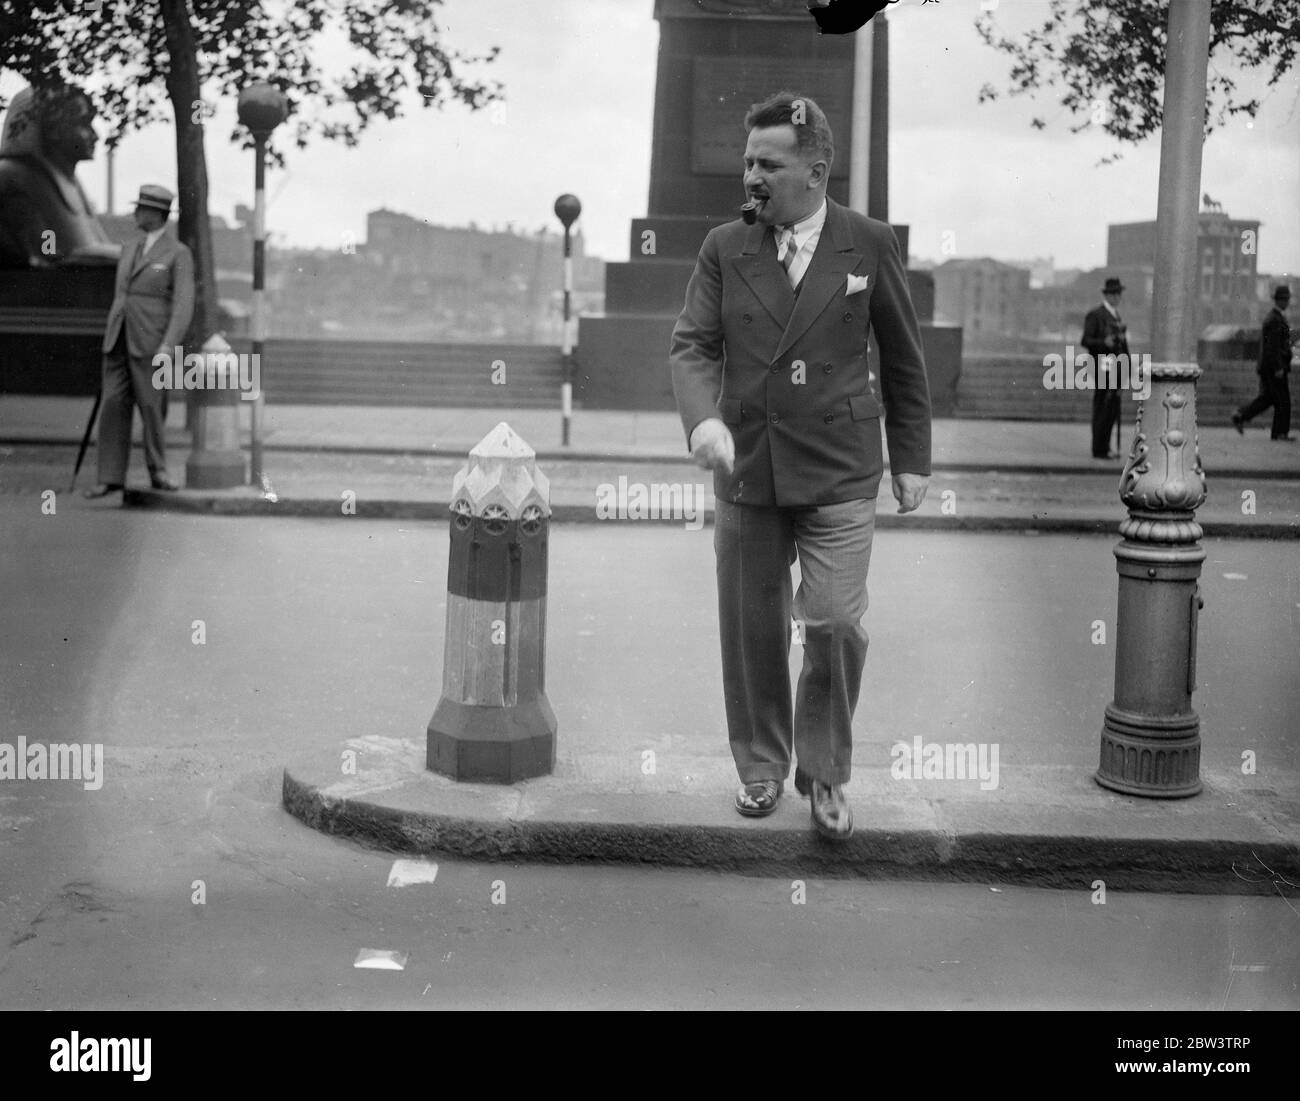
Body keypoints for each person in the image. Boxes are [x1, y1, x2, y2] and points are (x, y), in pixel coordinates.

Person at [670, 91, 931, 840]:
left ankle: (823, 773)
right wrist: (704, 419)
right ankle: (760, 768)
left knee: (834, 622)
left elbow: (905, 360)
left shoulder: (868, 243)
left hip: (842, 464)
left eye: (769, 164)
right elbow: (693, 344)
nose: (751, 176)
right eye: (748, 161)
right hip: (749, 463)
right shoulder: (725, 246)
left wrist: (911, 457)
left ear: (815, 172)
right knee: (751, 626)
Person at [84, 184, 194, 497]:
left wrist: (168, 347)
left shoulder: (178, 253)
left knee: (152, 407)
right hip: (118, 338)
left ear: (156, 214)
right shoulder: (129, 247)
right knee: (113, 404)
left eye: (141, 208)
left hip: (153, 343)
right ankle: (110, 477)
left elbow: (183, 304)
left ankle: (158, 471)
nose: (135, 213)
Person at [0, 84, 117, 268]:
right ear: (53, 128)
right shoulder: (16, 177)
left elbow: (96, 245)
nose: (96, 135)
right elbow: (52, 252)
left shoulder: (70, 182)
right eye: (83, 123)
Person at [1232, 285, 1293, 442]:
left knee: (1269, 398)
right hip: (1274, 368)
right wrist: (1279, 367)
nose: (1287, 302)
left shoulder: (1274, 318)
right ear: (1280, 300)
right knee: (1283, 400)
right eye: (1285, 299)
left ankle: (1241, 416)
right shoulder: (1275, 320)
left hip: (1269, 366)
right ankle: (1280, 434)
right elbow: (1273, 346)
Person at [1081, 277, 1128, 459]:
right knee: (1103, 406)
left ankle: (1105, 447)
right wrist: (1104, 342)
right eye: (1113, 294)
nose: (1116, 297)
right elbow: (1086, 340)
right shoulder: (1096, 314)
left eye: (1118, 294)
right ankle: (1099, 448)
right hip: (1102, 366)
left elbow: (1121, 345)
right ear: (1107, 295)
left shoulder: (1115, 315)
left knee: (1111, 408)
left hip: (1114, 367)